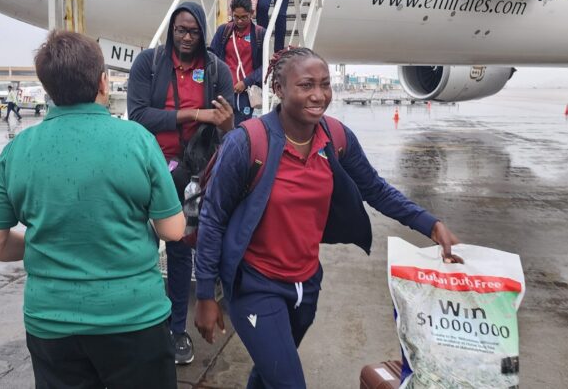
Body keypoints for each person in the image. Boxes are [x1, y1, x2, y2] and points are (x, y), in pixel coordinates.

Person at [193, 47, 462, 388]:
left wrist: (430, 223)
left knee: (269, 371)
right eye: (306, 85)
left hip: (306, 284)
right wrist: (205, 295)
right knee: (289, 382)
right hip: (255, 285)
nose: (318, 95)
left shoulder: (336, 137)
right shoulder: (248, 142)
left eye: (325, 84)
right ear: (279, 89)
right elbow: (213, 219)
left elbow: (375, 189)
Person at [0, 31, 185, 389]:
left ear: (47, 89)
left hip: (52, 323)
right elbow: (173, 230)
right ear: (103, 83)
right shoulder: (137, 141)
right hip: (133, 318)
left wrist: (48, 243)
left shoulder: (19, 149)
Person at [128, 1, 235, 365]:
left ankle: (176, 330)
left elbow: (227, 126)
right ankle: (139, 325)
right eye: (180, 30)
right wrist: (193, 113)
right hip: (151, 168)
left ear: (204, 33)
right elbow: (138, 114)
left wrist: (223, 122)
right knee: (139, 245)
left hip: (193, 173)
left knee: (179, 249)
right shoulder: (150, 63)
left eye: (193, 32)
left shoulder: (217, 69)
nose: (186, 38)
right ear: (171, 30)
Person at [210, 0, 266, 125]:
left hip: (247, 93)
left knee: (243, 130)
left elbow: (265, 66)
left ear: (251, 13)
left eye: (244, 17)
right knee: (222, 129)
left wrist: (246, 82)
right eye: (236, 17)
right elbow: (212, 56)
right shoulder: (224, 31)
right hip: (225, 90)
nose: (239, 21)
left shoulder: (259, 34)